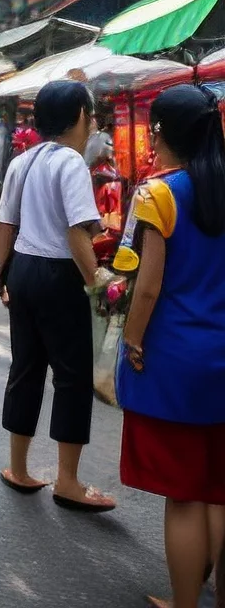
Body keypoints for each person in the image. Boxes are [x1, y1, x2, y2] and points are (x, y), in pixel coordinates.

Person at [113, 85, 225, 608]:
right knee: (220, 493)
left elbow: (149, 285)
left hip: (177, 361)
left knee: (184, 496)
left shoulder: (158, 195)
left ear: (164, 133)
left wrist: (131, 338)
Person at [0, 79, 112, 511]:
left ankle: (19, 468)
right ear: (79, 117)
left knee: (25, 367)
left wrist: (0, 274)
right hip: (59, 274)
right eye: (91, 113)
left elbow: (4, 224)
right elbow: (77, 232)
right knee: (72, 376)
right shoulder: (71, 163)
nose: (93, 121)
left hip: (23, 268)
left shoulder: (23, 162)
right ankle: (67, 481)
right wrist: (98, 281)